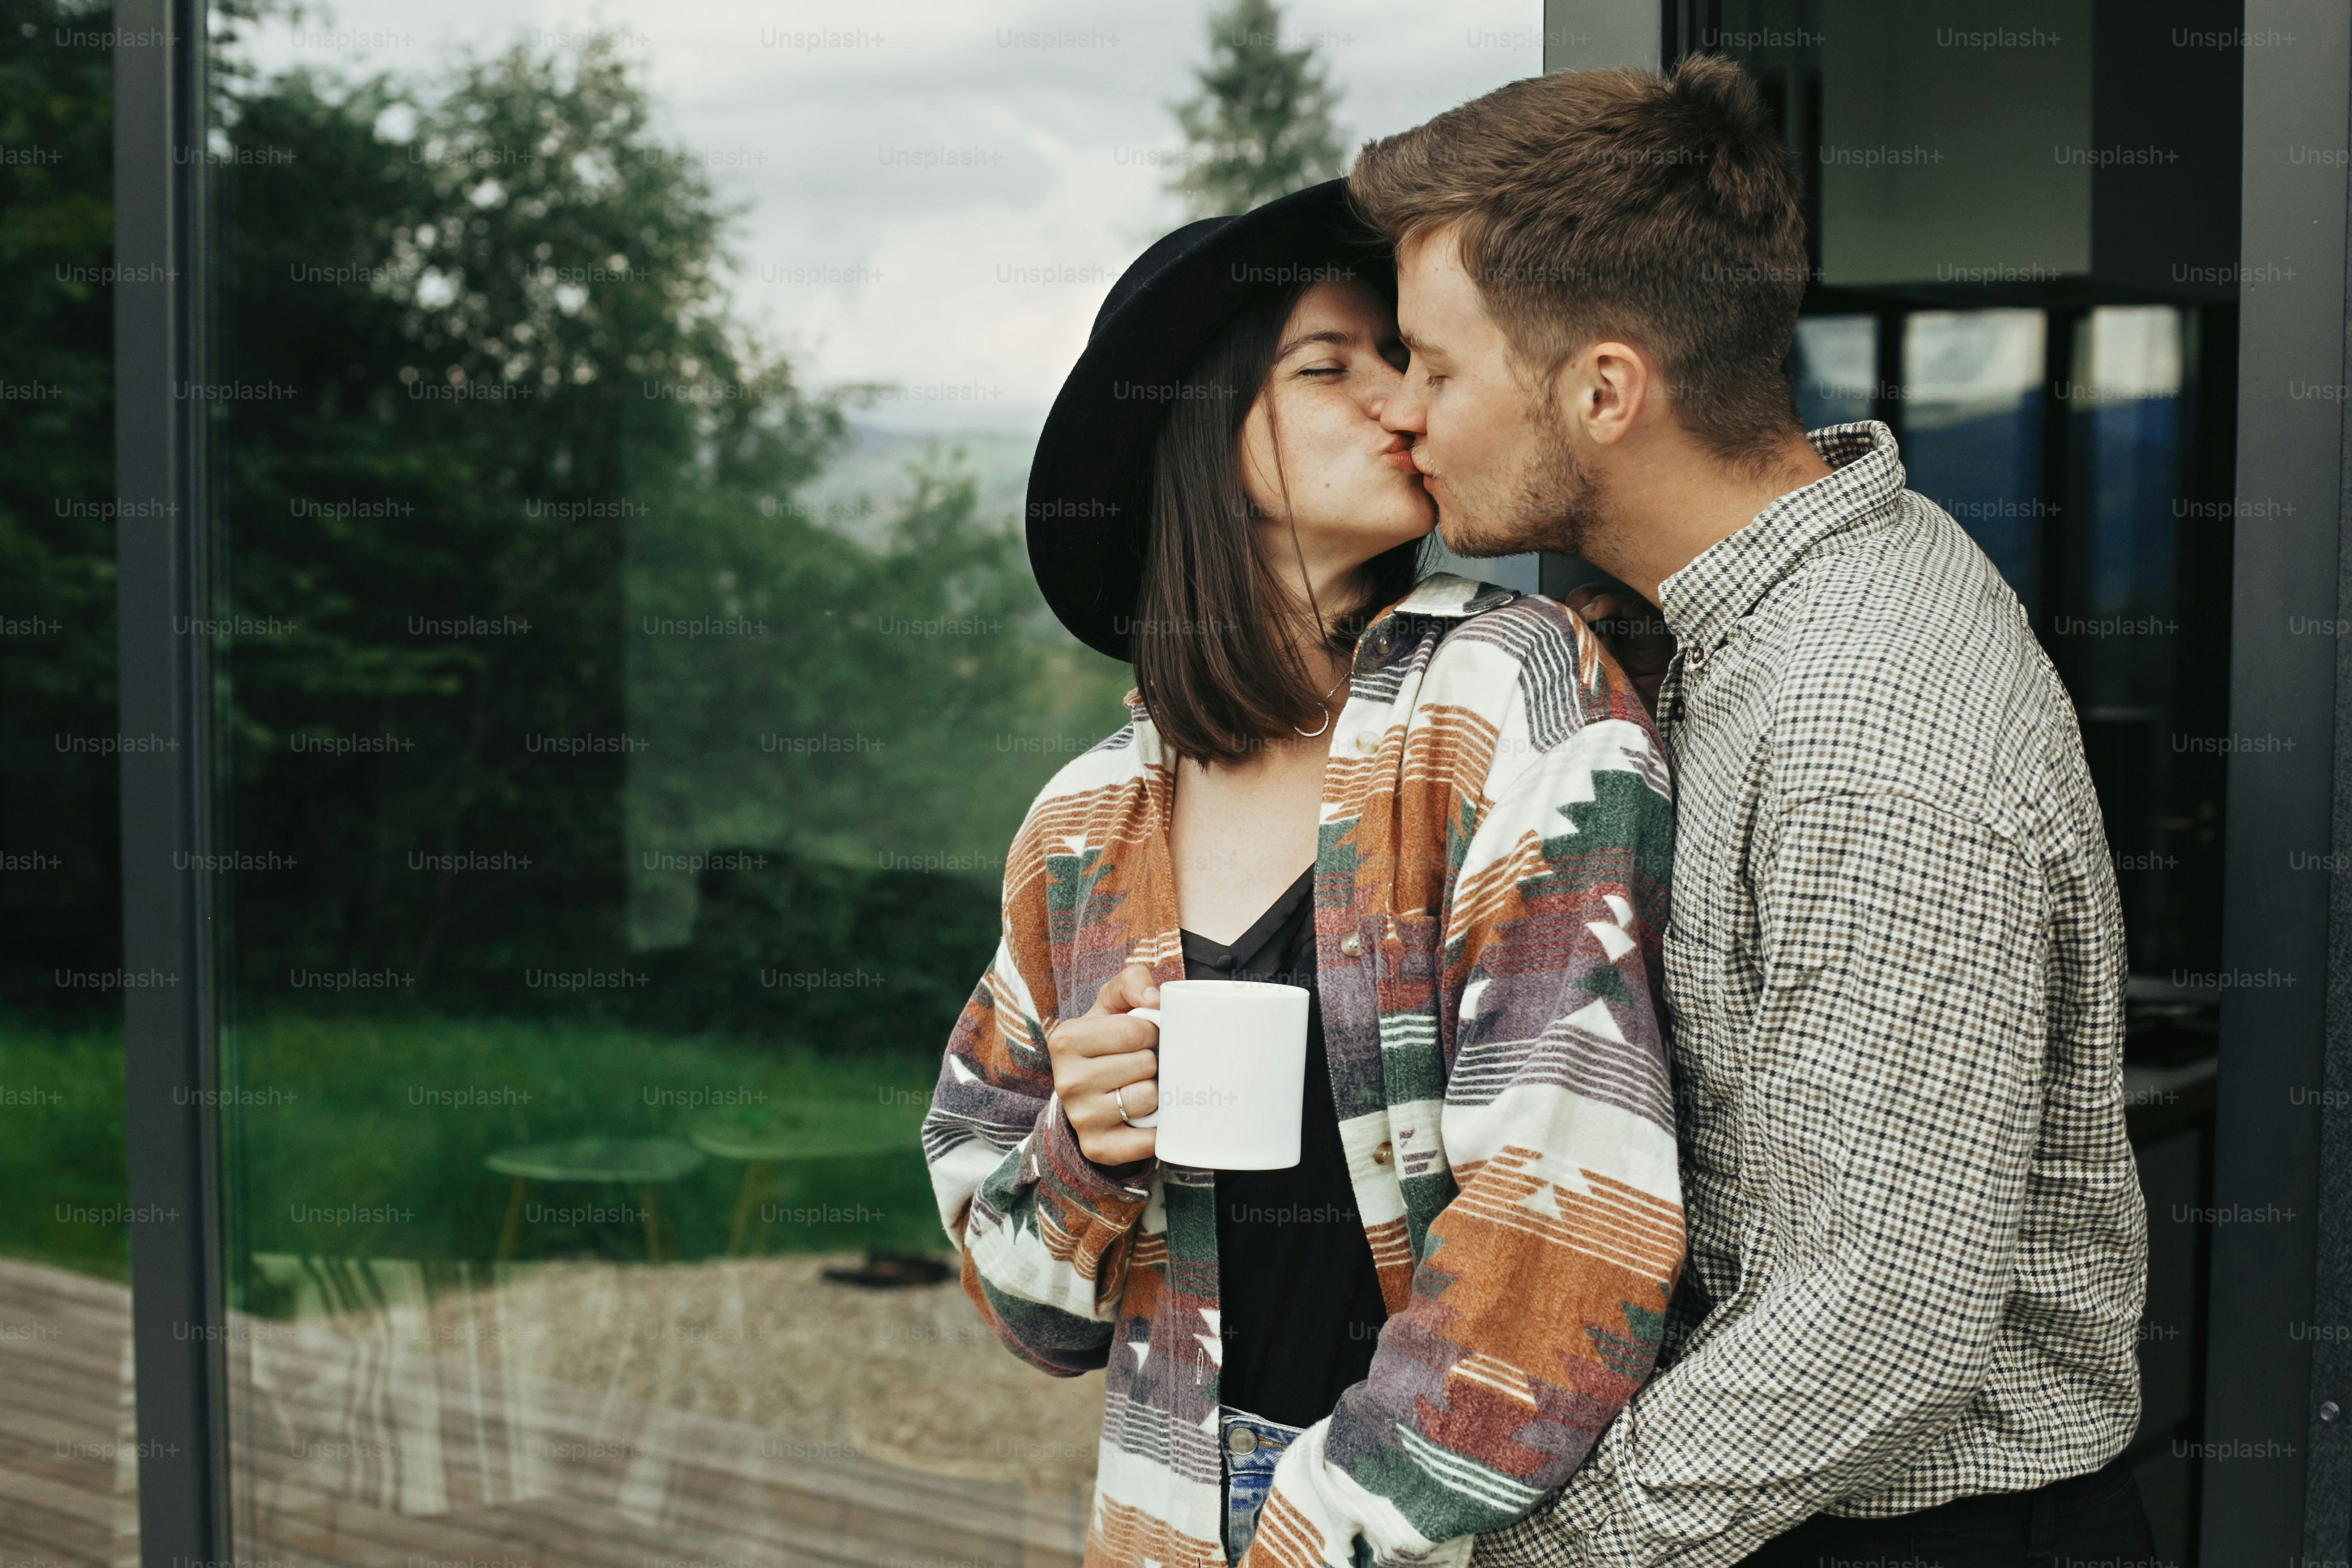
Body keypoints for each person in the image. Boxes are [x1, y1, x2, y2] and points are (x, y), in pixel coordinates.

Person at [1346, 56, 2154, 1567]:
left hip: (1907, 1534)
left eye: (1436, 366)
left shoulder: (1866, 717)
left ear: (1604, 390)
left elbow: (1881, 1315)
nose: (1402, 411)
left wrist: (1532, 1554)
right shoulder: (1772, 598)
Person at [920, 181, 1683, 1567]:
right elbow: (1025, 1306)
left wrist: (1321, 1521)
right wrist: (1083, 1149)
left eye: (1404, 358)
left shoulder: (1505, 695)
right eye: (1333, 367)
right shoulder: (1084, 825)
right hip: (1166, 1502)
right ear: (1201, 437)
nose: (1403, 401)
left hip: (1435, 1518)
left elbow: (1573, 1214)